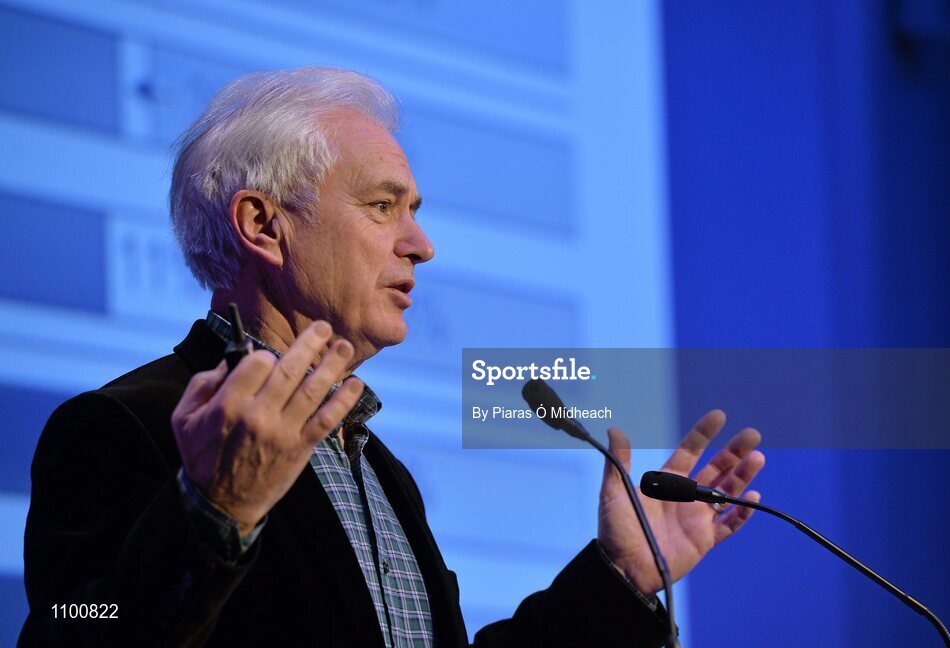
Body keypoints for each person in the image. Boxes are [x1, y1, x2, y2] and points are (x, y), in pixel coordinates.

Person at [19, 67, 765, 647]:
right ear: (262, 225)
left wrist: (620, 579)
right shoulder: (121, 427)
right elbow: (76, 627)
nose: (421, 245)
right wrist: (213, 512)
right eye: (383, 206)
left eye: (414, 212)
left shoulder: (379, 472)